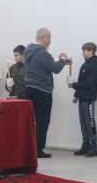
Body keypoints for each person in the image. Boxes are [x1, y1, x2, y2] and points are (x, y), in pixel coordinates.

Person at [24, 28, 70, 158]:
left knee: (32, 120)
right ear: (44, 38)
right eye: (49, 38)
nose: (50, 41)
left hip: (29, 88)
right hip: (42, 90)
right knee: (42, 120)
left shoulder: (28, 51)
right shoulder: (42, 53)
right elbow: (55, 68)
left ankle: (30, 148)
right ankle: (38, 149)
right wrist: (62, 59)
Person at [68, 42, 97, 158]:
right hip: (82, 98)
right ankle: (85, 145)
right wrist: (76, 96)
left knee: (90, 122)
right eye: (83, 50)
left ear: (91, 51)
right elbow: (82, 81)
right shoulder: (85, 65)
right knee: (83, 122)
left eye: (85, 50)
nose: (83, 53)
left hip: (89, 98)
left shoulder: (93, 65)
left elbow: (88, 83)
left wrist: (74, 85)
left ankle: (93, 147)